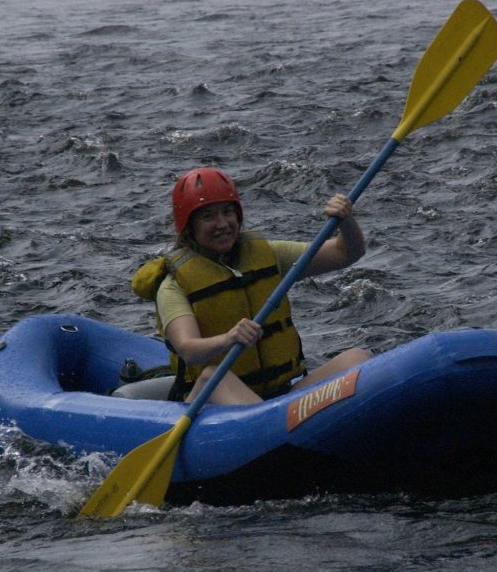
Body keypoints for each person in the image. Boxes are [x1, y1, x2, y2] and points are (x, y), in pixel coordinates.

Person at [131, 167, 370, 404]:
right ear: (189, 226)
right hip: (213, 402)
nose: (222, 223)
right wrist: (228, 338)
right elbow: (188, 349)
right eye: (208, 216)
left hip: (280, 396)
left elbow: (346, 252)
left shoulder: (268, 255)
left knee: (356, 358)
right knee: (214, 376)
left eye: (228, 212)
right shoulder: (173, 284)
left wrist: (345, 221)